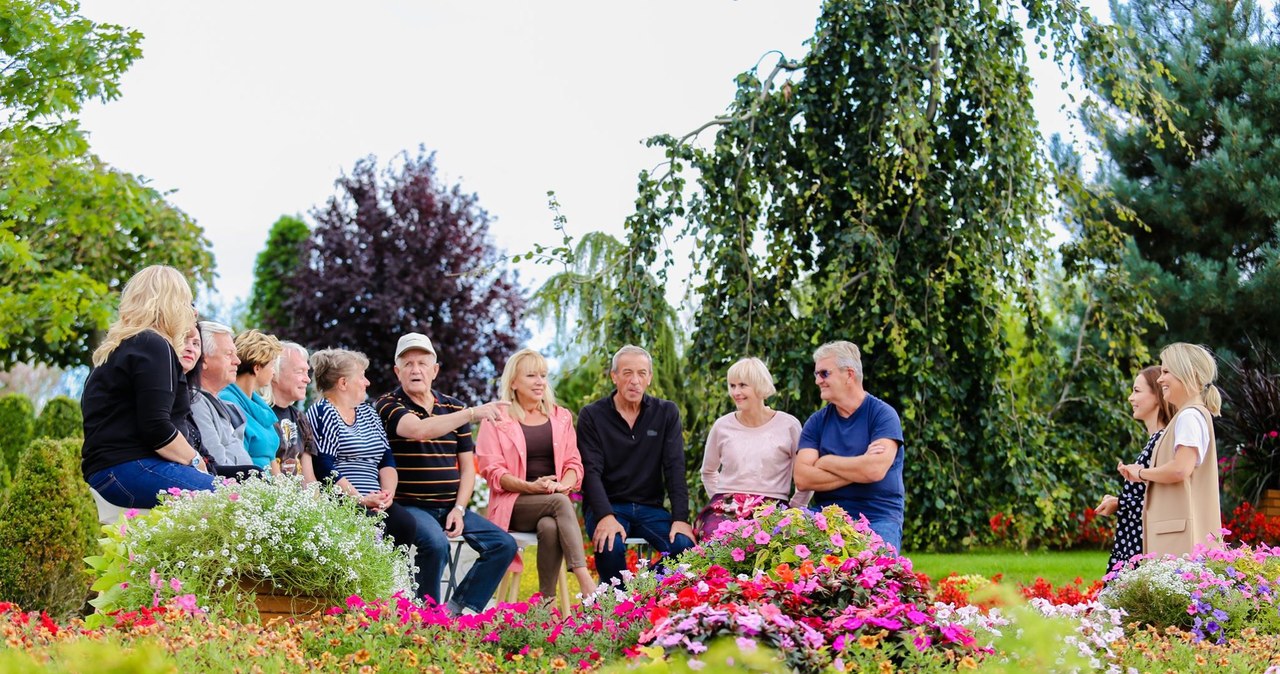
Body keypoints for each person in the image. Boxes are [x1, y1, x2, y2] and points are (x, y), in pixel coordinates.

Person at [373, 333, 516, 614]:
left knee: (503, 544)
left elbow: (466, 467)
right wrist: (473, 413)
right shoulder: (389, 405)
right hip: (408, 506)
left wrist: (460, 509)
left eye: (423, 363)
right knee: (436, 544)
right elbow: (418, 430)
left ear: (435, 370)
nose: (416, 370)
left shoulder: (453, 407)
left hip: (449, 505)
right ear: (397, 371)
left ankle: (457, 609)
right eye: (408, 363)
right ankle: (428, 616)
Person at [81, 265, 216, 508]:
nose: (193, 312)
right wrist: (196, 462)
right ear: (171, 304)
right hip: (128, 468)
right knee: (235, 500)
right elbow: (156, 428)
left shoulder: (123, 347)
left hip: (112, 471)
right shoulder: (153, 344)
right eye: (187, 302)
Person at [477, 348, 598, 600]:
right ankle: (586, 581)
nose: (540, 381)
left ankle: (545, 603)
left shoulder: (560, 416)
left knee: (550, 525)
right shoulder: (496, 419)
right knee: (558, 502)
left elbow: (574, 464)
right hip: (513, 504)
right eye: (532, 375)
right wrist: (531, 487)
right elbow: (493, 472)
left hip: (552, 502)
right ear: (513, 382)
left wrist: (562, 485)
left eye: (543, 375)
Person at [578, 345, 694, 586]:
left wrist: (681, 518)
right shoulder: (592, 415)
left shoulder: (666, 412)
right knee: (610, 543)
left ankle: (639, 595)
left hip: (650, 508)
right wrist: (605, 515)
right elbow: (590, 472)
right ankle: (614, 604)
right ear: (614, 376)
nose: (635, 380)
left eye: (642, 373)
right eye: (627, 373)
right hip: (609, 507)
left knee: (685, 548)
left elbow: (675, 468)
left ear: (649, 378)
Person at [793, 340, 905, 551]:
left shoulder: (882, 415)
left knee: (878, 574)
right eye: (816, 374)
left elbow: (874, 470)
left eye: (824, 373)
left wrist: (826, 461)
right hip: (826, 516)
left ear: (849, 375)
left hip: (878, 517)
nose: (818, 381)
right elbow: (802, 478)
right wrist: (860, 466)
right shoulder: (816, 422)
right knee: (793, 561)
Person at [1119, 343, 1224, 556]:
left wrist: (1140, 473)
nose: (1160, 378)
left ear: (1188, 374)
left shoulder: (1189, 416)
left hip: (1180, 539)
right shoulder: (1190, 415)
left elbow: (1180, 469)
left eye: (1166, 371)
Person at [304, 348, 416, 547]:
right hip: (343, 501)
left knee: (404, 523)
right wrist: (360, 499)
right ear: (343, 383)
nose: (367, 382)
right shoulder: (323, 411)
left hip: (374, 501)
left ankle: (395, 577)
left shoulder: (368, 413)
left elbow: (386, 459)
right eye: (362, 376)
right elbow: (324, 466)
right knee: (373, 530)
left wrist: (387, 496)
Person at [696, 357, 811, 540]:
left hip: (772, 506)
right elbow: (708, 472)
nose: (736, 392)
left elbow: (807, 477)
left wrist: (793, 510)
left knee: (771, 546)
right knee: (717, 538)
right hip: (727, 505)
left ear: (760, 385)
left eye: (742, 385)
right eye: (732, 386)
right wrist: (723, 501)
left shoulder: (789, 425)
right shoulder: (722, 425)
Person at [1096, 366, 1175, 573]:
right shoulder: (1155, 441)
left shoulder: (1161, 441)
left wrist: (1119, 503)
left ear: (1157, 396)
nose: (1131, 398)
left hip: (1138, 547)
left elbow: (1161, 499)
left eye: (1137, 391)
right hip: (1132, 543)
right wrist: (1118, 502)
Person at [179, 325, 258, 478]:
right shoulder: (196, 401)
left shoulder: (225, 405)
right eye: (229, 354)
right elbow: (217, 466)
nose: (237, 361)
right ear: (203, 360)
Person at [220, 329, 283, 469]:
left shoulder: (261, 407)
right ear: (257, 368)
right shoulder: (226, 401)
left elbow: (272, 461)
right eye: (272, 365)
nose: (274, 371)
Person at [270, 341, 316, 477]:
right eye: (300, 371)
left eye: (307, 372)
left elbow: (309, 480)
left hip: (297, 497)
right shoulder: (260, 414)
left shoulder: (301, 418)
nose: (307, 380)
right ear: (275, 373)